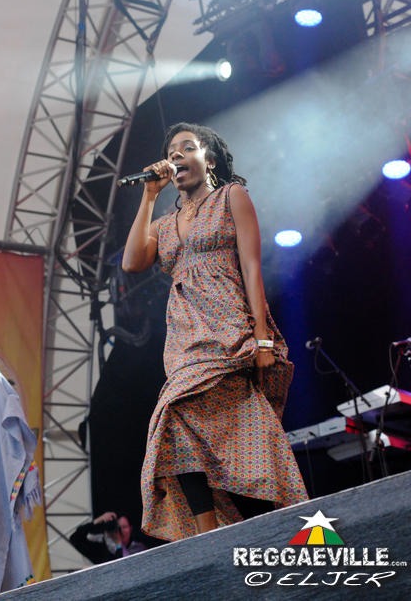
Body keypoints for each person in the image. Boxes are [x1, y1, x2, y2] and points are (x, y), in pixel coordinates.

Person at [122, 122, 308, 541]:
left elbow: (252, 268)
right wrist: (149, 196)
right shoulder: (164, 224)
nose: (177, 156)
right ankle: (206, 533)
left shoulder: (231, 197)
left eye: (187, 148)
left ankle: (272, 523)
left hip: (228, 331)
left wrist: (262, 338)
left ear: (209, 159)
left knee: (244, 438)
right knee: (174, 413)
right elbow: (132, 262)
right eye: (172, 151)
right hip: (185, 338)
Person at [69, 511, 146, 565]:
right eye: (117, 527)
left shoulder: (138, 548)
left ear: (130, 529)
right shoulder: (102, 549)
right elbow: (74, 539)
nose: (120, 530)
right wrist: (98, 520)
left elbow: (126, 566)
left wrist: (118, 544)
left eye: (124, 527)